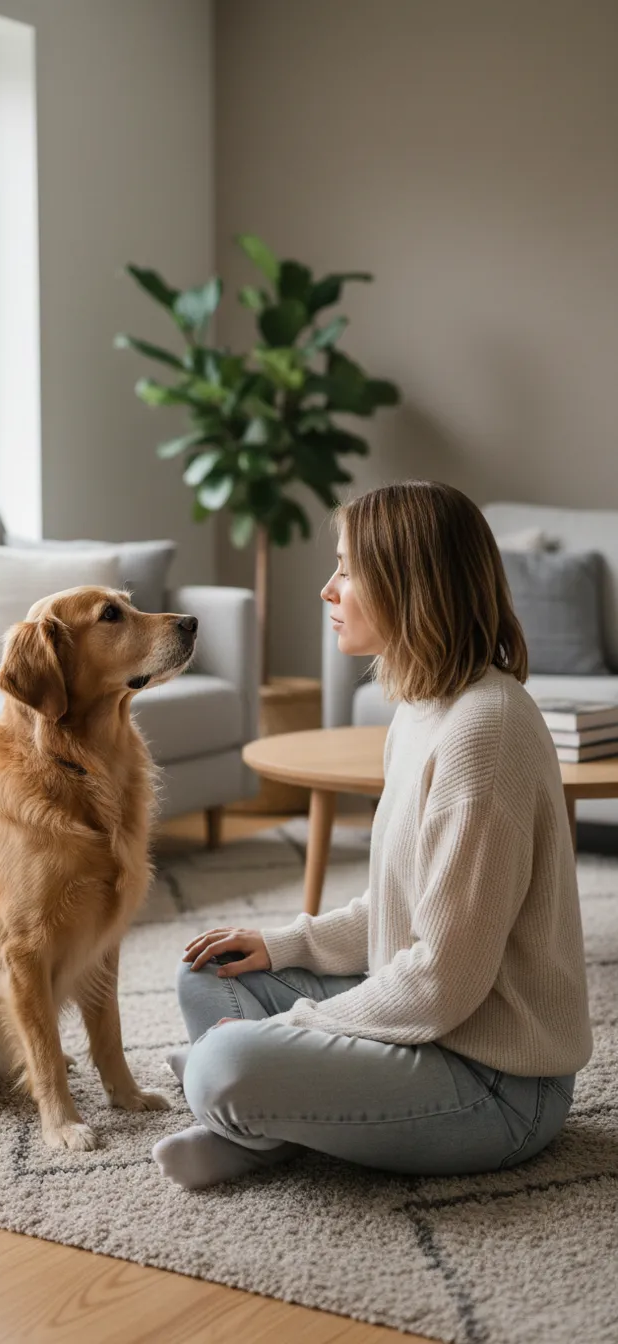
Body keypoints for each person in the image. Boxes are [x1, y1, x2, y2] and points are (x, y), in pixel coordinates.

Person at [152, 481, 593, 1191]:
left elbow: (442, 982)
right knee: (208, 969)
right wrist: (283, 945)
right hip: (427, 1030)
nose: (328, 589)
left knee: (224, 1063)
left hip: (496, 1083)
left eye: (347, 570)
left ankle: (251, 1110)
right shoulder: (421, 709)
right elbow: (397, 910)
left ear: (409, 584)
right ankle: (268, 1122)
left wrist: (288, 1030)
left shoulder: (486, 731)